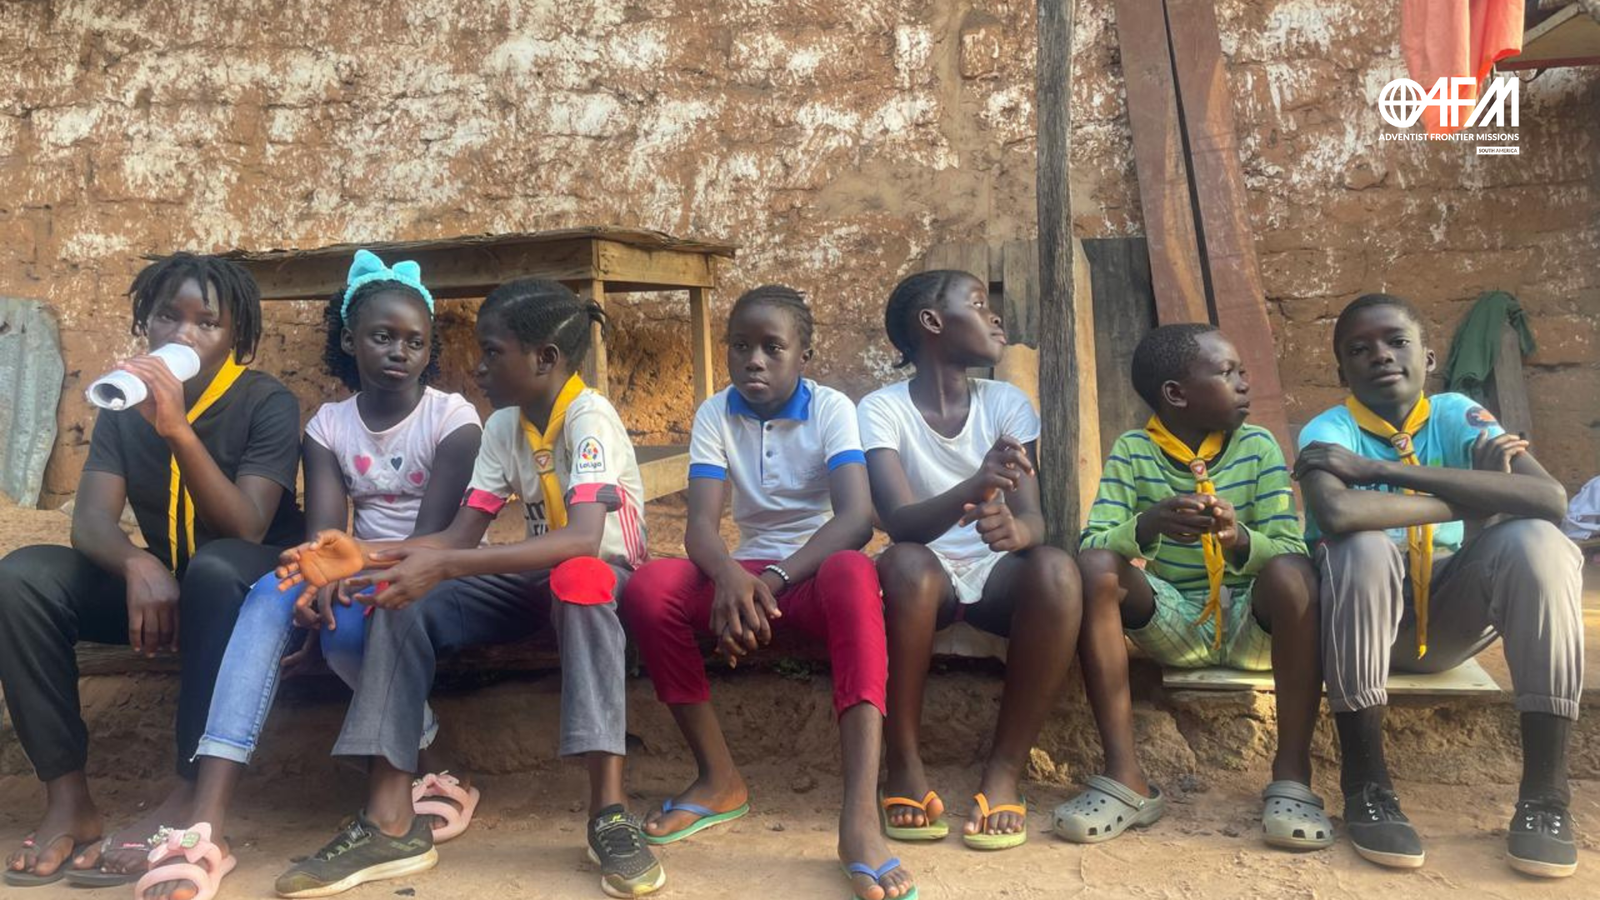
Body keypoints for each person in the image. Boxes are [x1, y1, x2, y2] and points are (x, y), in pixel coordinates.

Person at [270, 278, 663, 898]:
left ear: (544, 360)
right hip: (529, 579)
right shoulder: (503, 425)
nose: (475, 367)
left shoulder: (590, 418)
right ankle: (390, 820)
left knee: (580, 579)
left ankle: (608, 814)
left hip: (600, 578)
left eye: (491, 352)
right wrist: (362, 557)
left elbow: (582, 540)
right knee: (404, 592)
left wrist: (447, 566)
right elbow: (457, 536)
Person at [135, 251, 483, 900]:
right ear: (349, 340)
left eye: (415, 341)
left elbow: (437, 536)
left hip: (431, 573)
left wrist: (343, 564)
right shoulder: (326, 426)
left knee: (347, 630)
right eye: (382, 337)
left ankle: (436, 759)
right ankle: (207, 824)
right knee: (275, 593)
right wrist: (321, 572)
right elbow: (327, 530)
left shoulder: (453, 419)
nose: (399, 352)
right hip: (356, 569)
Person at [0, 254, 303, 887]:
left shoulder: (266, 402)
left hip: (252, 594)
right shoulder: (121, 402)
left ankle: (188, 795)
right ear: (147, 321)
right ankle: (68, 799)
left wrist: (177, 429)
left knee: (217, 567)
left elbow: (246, 527)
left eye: (207, 323)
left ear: (237, 340)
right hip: (169, 588)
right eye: (169, 315)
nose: (183, 334)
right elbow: (89, 523)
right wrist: (138, 564)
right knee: (21, 578)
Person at [622, 286, 915, 900]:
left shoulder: (833, 408)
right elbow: (701, 527)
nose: (753, 360)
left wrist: (772, 580)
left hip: (809, 575)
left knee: (856, 571)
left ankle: (859, 815)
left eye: (772, 347)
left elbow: (856, 519)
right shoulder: (716, 412)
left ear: (802, 355)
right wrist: (730, 578)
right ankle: (718, 777)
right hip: (745, 572)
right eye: (740, 347)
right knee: (651, 588)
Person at [1296, 292, 1582, 877]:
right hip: (1364, 627)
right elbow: (1340, 516)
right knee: (1362, 548)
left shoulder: (1457, 413)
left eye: (1397, 342)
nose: (1380, 355)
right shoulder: (1327, 432)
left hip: (1452, 617)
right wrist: (1475, 494)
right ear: (1340, 370)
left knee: (1541, 544)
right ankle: (1367, 783)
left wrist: (1379, 471)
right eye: (1359, 349)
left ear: (1428, 358)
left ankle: (1546, 797)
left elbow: (1549, 500)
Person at [1062, 324, 1326, 849]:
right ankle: (1126, 778)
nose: (1244, 383)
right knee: (1096, 567)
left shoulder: (1258, 446)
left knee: (1294, 573)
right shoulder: (1135, 449)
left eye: (1243, 372)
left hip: (1252, 621)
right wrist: (1148, 527)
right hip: (1177, 620)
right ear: (1175, 395)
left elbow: (1291, 548)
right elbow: (1093, 539)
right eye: (1228, 373)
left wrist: (1240, 539)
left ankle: (1292, 777)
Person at [861, 269, 1082, 851]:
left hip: (992, 572)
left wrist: (1016, 530)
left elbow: (1037, 521)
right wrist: (974, 484)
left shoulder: (1007, 402)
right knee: (906, 563)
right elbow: (899, 521)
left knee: (1058, 570)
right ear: (932, 323)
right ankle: (903, 762)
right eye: (980, 305)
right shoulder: (882, 410)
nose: (996, 318)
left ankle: (1005, 769)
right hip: (922, 574)